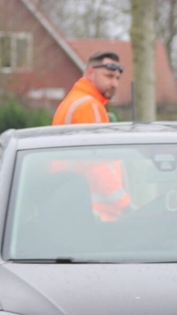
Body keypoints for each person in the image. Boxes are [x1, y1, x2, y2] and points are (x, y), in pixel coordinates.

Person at [51, 51, 130, 221]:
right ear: (90, 73)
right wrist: (125, 204)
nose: (114, 83)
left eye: (117, 78)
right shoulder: (89, 107)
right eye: (108, 76)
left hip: (73, 202)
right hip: (95, 211)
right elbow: (96, 163)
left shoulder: (75, 101)